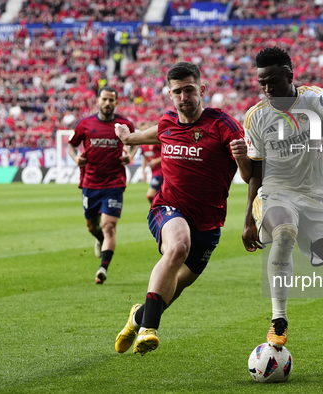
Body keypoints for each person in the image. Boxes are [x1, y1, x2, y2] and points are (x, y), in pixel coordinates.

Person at [242, 47, 323, 375]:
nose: (266, 88)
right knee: (285, 231)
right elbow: (255, 172)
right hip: (274, 194)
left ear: (290, 75)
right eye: (261, 82)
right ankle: (279, 319)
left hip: (315, 199)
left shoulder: (314, 98)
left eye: (272, 81)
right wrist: (247, 220)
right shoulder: (256, 116)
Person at [114, 62, 248, 356]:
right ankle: (149, 329)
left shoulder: (224, 125)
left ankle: (139, 316)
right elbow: (152, 135)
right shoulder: (167, 123)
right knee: (177, 247)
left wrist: (242, 159)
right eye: (178, 92)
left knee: (171, 288)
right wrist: (127, 138)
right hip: (168, 208)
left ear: (201, 90)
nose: (184, 96)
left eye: (189, 90)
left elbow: (250, 176)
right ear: (171, 95)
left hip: (210, 223)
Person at [67, 86, 137, 284]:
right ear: (98, 101)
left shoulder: (124, 124)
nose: (107, 103)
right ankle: (98, 238)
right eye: (104, 99)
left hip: (114, 183)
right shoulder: (85, 124)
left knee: (109, 227)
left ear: (116, 102)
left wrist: (129, 156)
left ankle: (102, 269)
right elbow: (71, 145)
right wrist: (76, 158)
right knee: (92, 226)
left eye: (111, 100)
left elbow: (135, 142)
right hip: (90, 183)